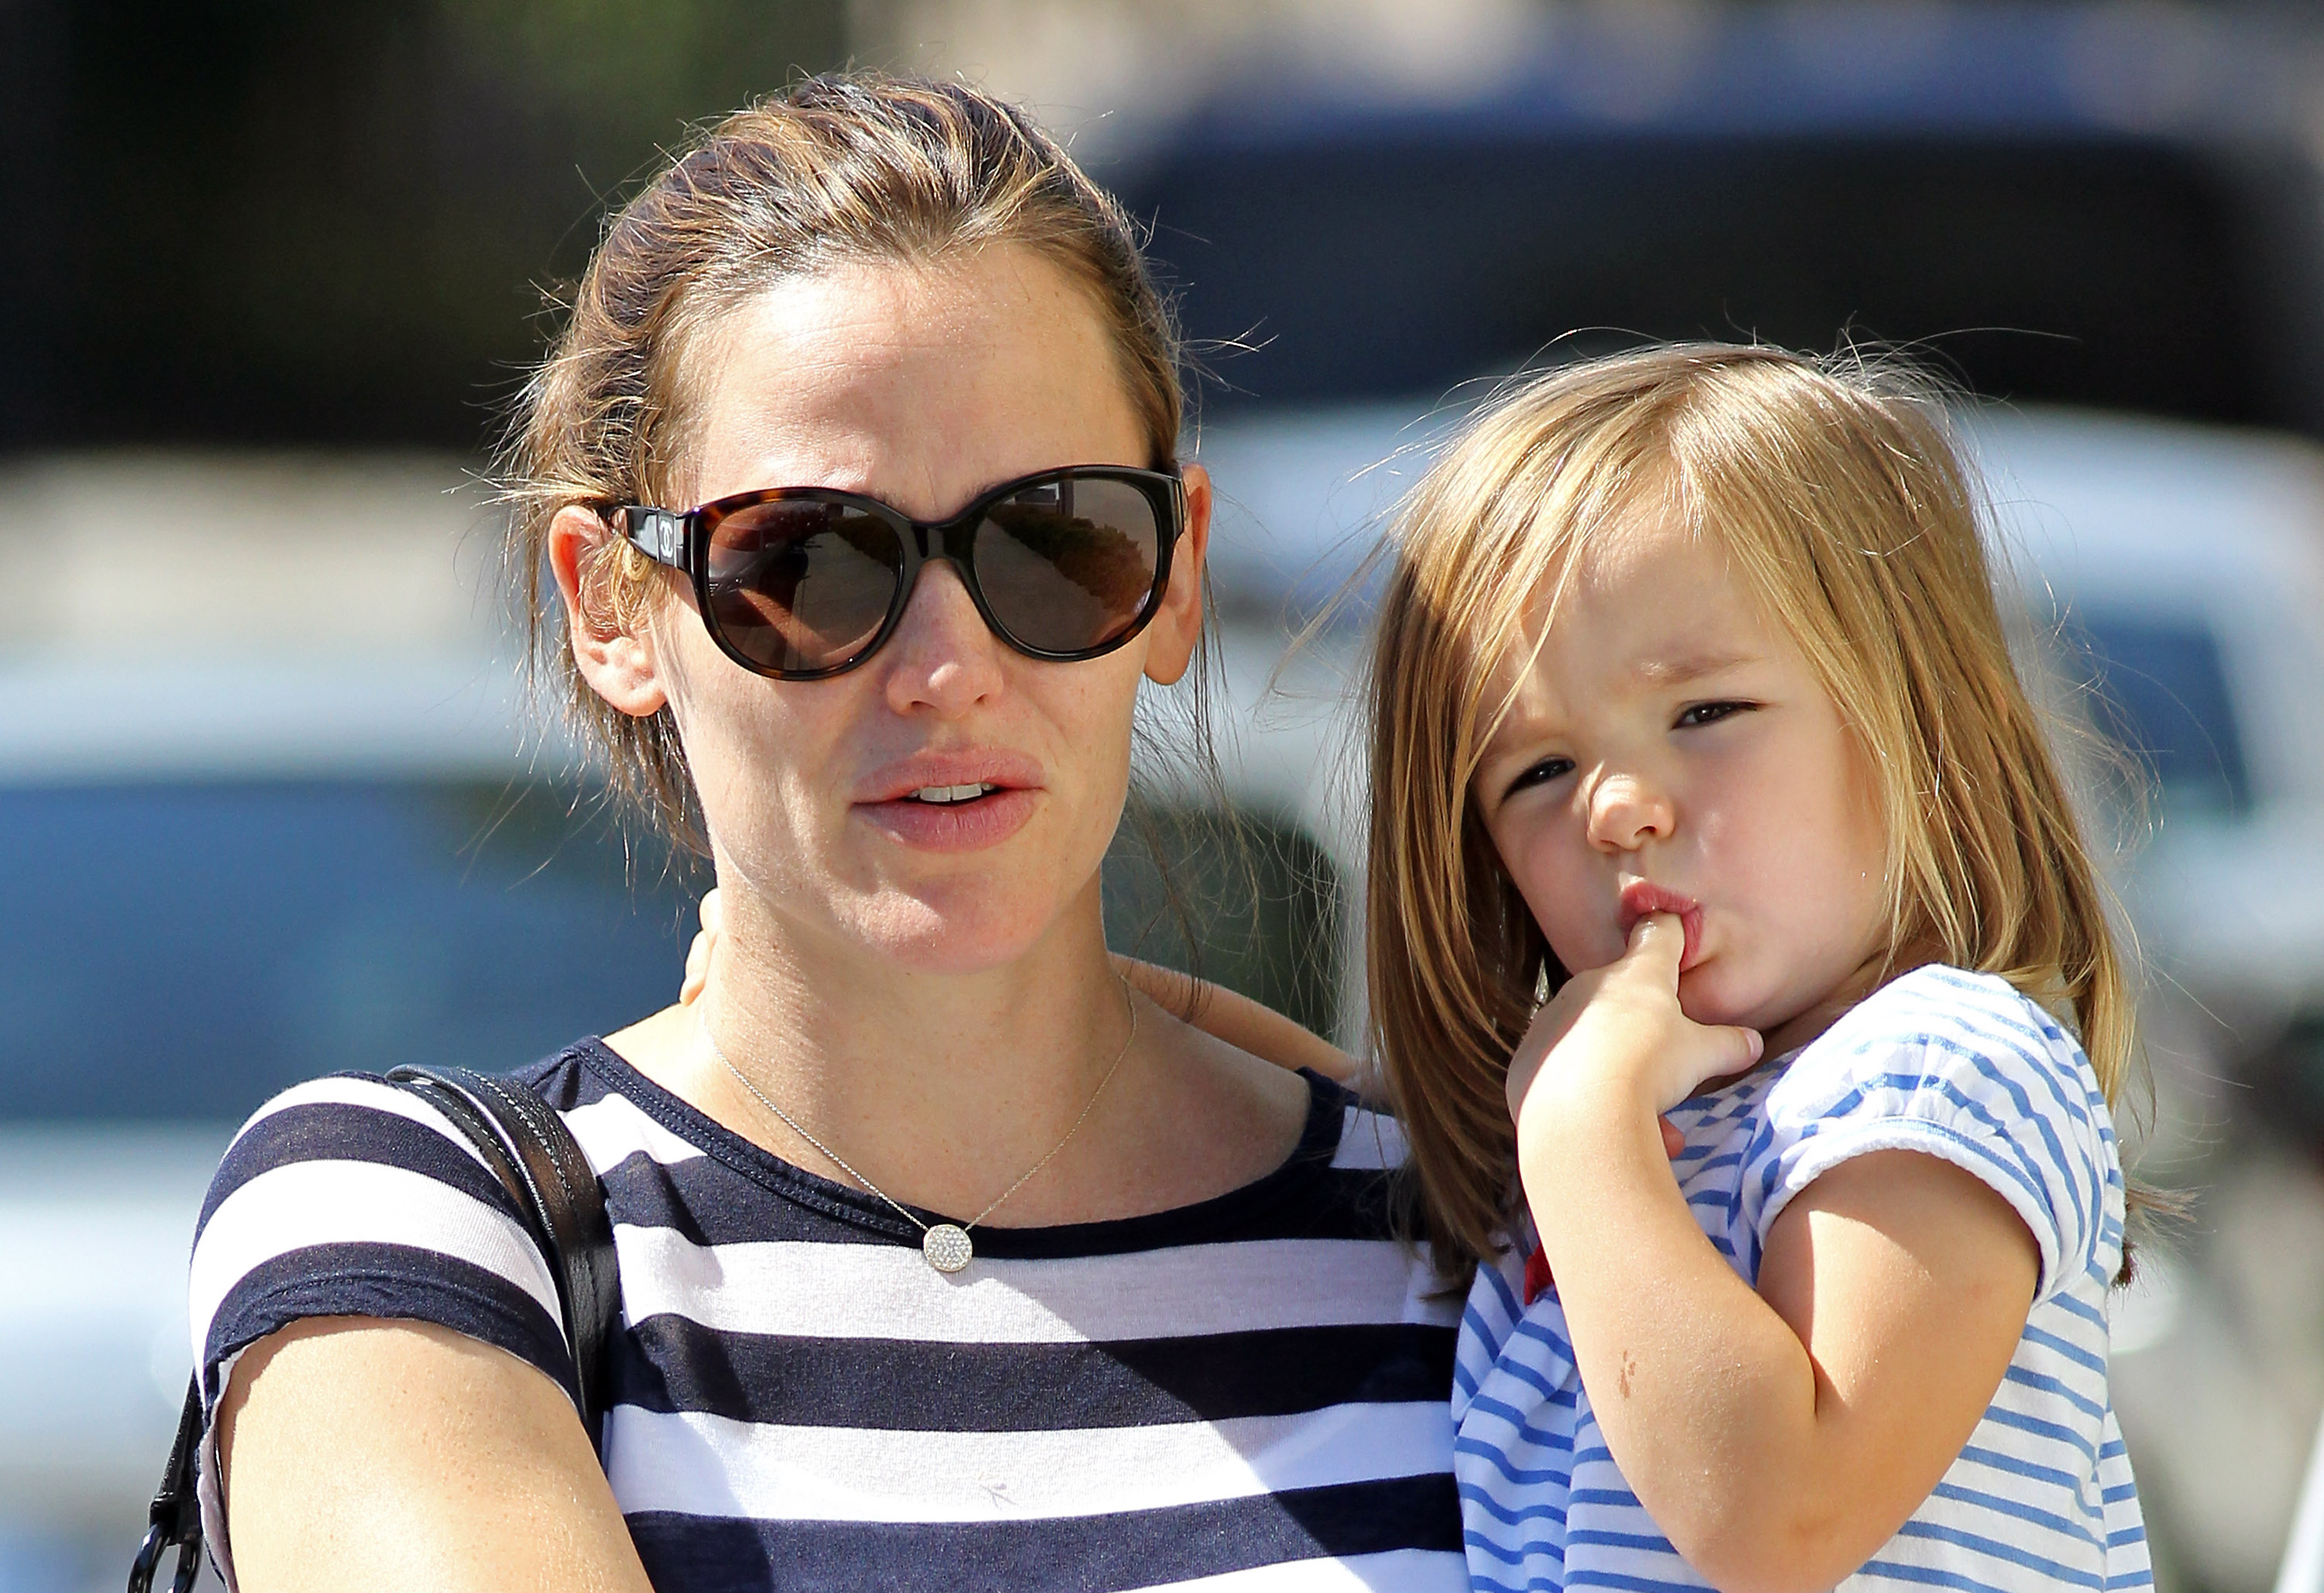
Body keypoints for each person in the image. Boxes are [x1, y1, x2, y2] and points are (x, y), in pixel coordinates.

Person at [186, 75, 1466, 1591]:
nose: (949, 666)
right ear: (610, 605)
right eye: (809, 561)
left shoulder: (1474, 1248)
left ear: (1176, 574)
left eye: (1056, 538)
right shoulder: (431, 1220)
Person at [1361, 345, 2150, 1591]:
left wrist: (1578, 1134)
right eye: (1538, 772)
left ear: (1918, 720)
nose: (1617, 807)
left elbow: (1775, 1514)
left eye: (1703, 714)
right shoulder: (1619, 1135)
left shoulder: (1942, 1069)